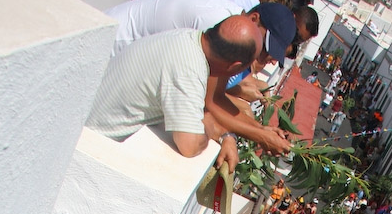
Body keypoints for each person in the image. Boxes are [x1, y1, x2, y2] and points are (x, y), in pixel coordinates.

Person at [87, 16, 262, 164]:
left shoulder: (187, 39)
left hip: (87, 121)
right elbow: (189, 146)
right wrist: (208, 127)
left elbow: (196, 115)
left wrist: (226, 136)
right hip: (93, 144)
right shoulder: (189, 70)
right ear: (235, 67)